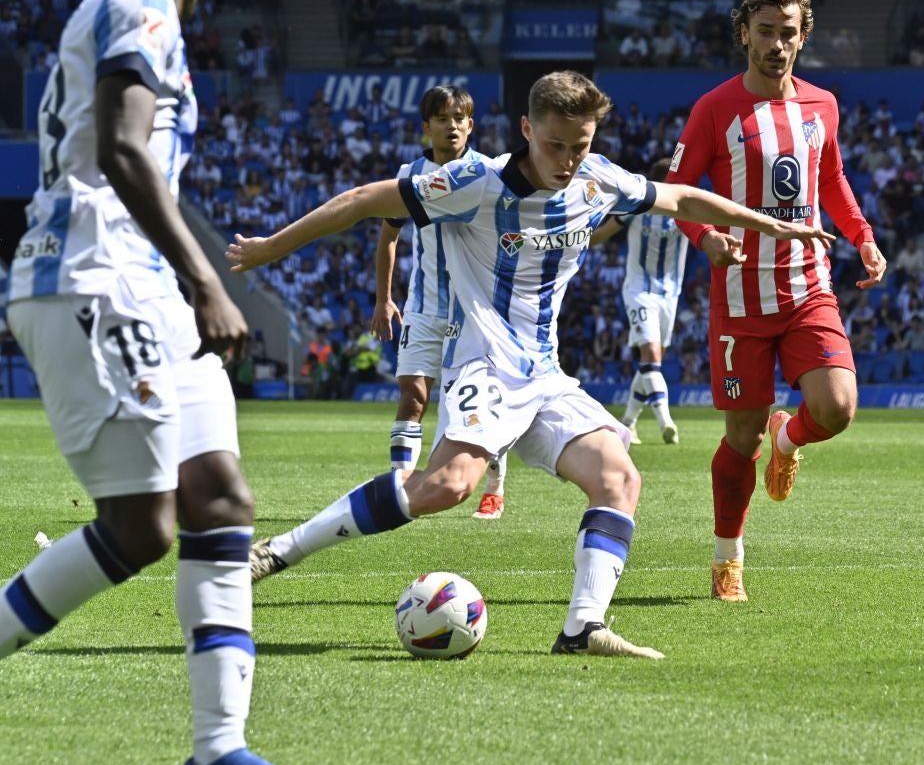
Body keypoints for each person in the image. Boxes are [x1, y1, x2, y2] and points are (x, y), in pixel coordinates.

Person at [228, 70, 835, 658]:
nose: (568, 159)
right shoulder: (476, 183)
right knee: (446, 488)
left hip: (544, 376)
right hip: (483, 364)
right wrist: (270, 248)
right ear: (525, 128)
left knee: (619, 477)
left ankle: (583, 628)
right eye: (555, 145)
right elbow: (366, 201)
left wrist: (772, 226)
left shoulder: (597, 180)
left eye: (580, 145)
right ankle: (277, 552)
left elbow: (677, 196)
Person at [0, 0, 329, 765]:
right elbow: (121, 148)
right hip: (95, 277)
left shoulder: (118, 1)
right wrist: (209, 279)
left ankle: (219, 754)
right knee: (142, 526)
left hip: (136, 284)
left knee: (220, 499)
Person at [667, 0, 887, 603]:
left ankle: (790, 439)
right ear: (745, 35)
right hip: (738, 298)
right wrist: (706, 236)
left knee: (838, 406)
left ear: (803, 36)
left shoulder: (823, 106)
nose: (777, 43)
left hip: (807, 285)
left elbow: (833, 180)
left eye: (788, 32)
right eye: (765, 31)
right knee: (742, 438)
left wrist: (863, 237)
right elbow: (678, 190)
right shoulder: (715, 108)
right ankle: (726, 559)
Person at [369, 84, 509, 520]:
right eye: (442, 118)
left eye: (459, 118)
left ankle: (496, 482)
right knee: (412, 395)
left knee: (473, 406)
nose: (452, 126)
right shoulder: (408, 175)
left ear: (471, 126)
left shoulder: (488, 173)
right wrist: (382, 299)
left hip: (474, 311)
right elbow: (388, 237)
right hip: (424, 305)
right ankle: (400, 488)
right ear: (426, 126)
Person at [589, 157, 685, 444]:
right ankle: (667, 423)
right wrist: (574, 240)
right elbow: (602, 234)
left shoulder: (685, 209)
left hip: (671, 293)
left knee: (650, 364)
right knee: (652, 358)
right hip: (639, 291)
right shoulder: (635, 207)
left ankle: (628, 423)